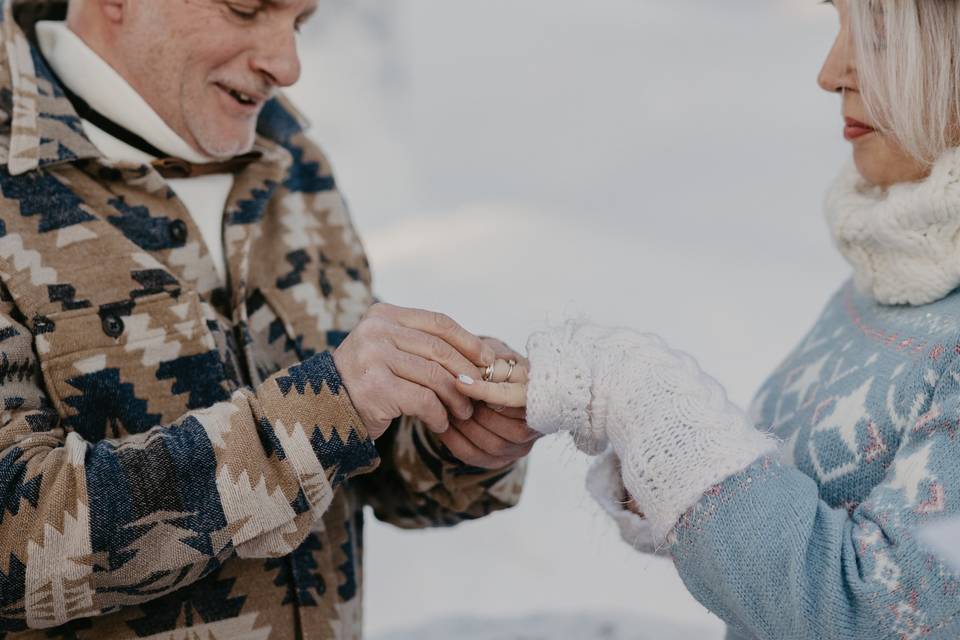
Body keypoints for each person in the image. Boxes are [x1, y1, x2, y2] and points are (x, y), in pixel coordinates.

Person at [0, 0, 534, 638]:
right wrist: (322, 412)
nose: (287, 65)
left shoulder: (289, 153)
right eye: (246, 9)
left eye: (301, 21)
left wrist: (454, 438)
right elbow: (14, 542)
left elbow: (364, 462)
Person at [457, 1, 960, 638]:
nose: (831, 71)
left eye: (880, 34)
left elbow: (877, 616)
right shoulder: (905, 259)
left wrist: (648, 404)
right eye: (840, 25)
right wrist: (669, 470)